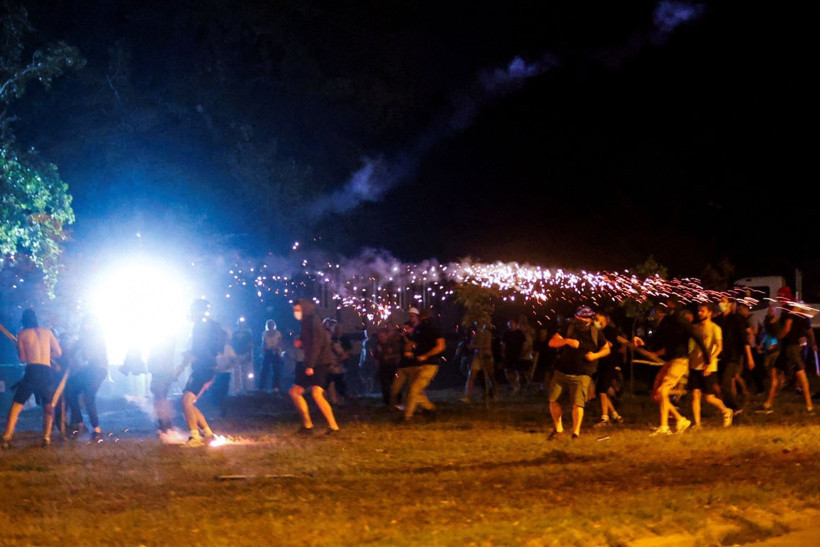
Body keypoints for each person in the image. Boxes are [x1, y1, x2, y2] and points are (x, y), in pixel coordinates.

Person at [635, 295, 709, 437]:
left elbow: (697, 338)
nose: (655, 314)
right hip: (671, 361)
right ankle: (680, 420)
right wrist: (643, 342)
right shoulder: (667, 321)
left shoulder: (680, 321)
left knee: (663, 391)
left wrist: (707, 359)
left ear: (669, 304)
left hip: (680, 361)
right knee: (658, 394)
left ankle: (664, 427)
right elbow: (657, 338)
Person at [546, 305, 610, 440]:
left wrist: (595, 356)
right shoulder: (568, 328)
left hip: (583, 373)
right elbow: (552, 342)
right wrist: (567, 341)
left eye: (586, 318)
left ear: (590, 319)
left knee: (577, 403)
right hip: (563, 371)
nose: (583, 321)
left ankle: (575, 433)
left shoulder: (595, 332)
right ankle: (558, 430)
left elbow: (606, 349)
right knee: (553, 400)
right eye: (580, 318)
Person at [2, 309, 62, 449]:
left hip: (32, 372)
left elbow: (23, 358)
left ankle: (7, 437)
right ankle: (46, 438)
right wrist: (46, 356)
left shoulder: (22, 334)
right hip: (46, 372)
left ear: (24, 320)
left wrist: (19, 348)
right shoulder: (47, 332)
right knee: (48, 407)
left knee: (16, 407)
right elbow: (58, 352)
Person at [289, 299, 340, 435]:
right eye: (295, 310)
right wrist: (301, 342)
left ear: (304, 309)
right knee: (295, 392)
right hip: (312, 362)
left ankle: (333, 427)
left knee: (316, 394)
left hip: (320, 363)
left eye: (298, 310)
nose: (296, 313)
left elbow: (317, 345)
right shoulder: (306, 322)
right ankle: (307, 426)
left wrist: (310, 366)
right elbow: (310, 342)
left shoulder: (313, 321)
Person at [181, 298, 225, 447]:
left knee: (186, 401)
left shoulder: (200, 327)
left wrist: (178, 370)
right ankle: (208, 434)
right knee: (190, 402)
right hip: (209, 368)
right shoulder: (213, 326)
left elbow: (196, 351)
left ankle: (195, 438)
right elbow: (217, 350)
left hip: (202, 368)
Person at [759, 301, 816, 414]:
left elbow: (786, 329)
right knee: (776, 372)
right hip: (790, 349)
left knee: (800, 375)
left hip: (790, 349)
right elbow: (808, 331)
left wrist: (779, 337)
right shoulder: (802, 318)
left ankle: (809, 406)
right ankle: (768, 404)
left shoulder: (791, 315)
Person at [688, 303, 733, 428]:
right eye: (699, 311)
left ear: (709, 313)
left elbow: (719, 347)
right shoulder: (695, 328)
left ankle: (726, 411)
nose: (699, 313)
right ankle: (697, 424)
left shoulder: (715, 328)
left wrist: (709, 361)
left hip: (709, 366)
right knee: (695, 395)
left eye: (702, 311)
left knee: (709, 397)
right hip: (695, 365)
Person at [65, 314, 109, 442]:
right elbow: (75, 351)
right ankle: (80, 424)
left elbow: (89, 356)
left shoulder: (96, 337)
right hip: (89, 369)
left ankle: (97, 431)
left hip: (98, 370)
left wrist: (77, 346)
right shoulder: (84, 338)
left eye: (88, 324)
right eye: (85, 324)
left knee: (88, 397)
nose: (86, 326)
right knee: (69, 390)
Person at [401, 308, 445, 421]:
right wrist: (408, 349)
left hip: (431, 364)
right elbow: (413, 342)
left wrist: (426, 355)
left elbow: (441, 346)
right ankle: (430, 409)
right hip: (419, 364)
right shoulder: (419, 329)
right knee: (415, 390)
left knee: (414, 390)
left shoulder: (435, 329)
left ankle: (407, 417)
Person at [714, 295, 755, 413]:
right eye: (720, 301)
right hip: (721, 356)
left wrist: (750, 357)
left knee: (726, 383)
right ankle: (728, 408)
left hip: (734, 356)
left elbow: (744, 339)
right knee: (721, 385)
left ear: (730, 304)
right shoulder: (719, 320)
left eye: (723, 301)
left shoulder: (737, 318)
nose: (721, 303)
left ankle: (736, 408)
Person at [591, 310, 625, 427]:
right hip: (602, 364)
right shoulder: (598, 331)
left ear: (605, 319)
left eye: (597, 318)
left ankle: (605, 418)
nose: (595, 321)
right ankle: (615, 415)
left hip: (611, 364)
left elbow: (610, 345)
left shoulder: (610, 331)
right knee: (602, 391)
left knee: (602, 390)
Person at [148, 331, 179, 437]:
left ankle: (165, 427)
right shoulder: (169, 338)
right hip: (164, 370)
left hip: (160, 371)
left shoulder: (162, 340)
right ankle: (166, 425)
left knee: (160, 398)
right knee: (161, 397)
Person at [461, 322, 496, 402]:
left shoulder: (487, 333)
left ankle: (494, 394)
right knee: (471, 375)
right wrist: (469, 346)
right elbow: (472, 345)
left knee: (490, 376)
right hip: (477, 356)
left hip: (486, 356)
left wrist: (476, 346)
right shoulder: (475, 333)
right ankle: (467, 396)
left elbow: (487, 346)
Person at [373, 325, 402, 406]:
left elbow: (398, 354)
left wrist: (389, 357)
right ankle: (387, 402)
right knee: (384, 385)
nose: (380, 338)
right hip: (383, 367)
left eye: (382, 336)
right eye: (379, 336)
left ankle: (398, 401)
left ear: (386, 335)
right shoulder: (378, 344)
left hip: (393, 366)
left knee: (395, 384)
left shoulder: (392, 343)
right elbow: (376, 357)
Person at [324, 318, 349, 405]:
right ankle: (330, 402)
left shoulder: (334, 344)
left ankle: (339, 402)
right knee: (326, 387)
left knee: (338, 386)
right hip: (327, 370)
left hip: (336, 370)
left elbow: (344, 355)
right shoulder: (321, 346)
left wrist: (337, 362)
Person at [501, 318, 526, 395]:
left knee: (518, 371)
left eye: (512, 324)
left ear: (515, 324)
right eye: (509, 324)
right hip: (508, 354)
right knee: (507, 371)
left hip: (517, 354)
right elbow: (503, 344)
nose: (511, 325)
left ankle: (518, 386)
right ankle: (514, 384)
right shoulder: (506, 333)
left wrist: (523, 352)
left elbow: (524, 344)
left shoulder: (520, 333)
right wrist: (502, 352)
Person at [258, 319, 284, 393]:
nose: (270, 326)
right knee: (264, 369)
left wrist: (277, 348)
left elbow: (281, 342)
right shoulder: (264, 333)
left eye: (272, 325)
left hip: (276, 352)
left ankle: (276, 386)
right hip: (268, 352)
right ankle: (262, 387)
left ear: (274, 325)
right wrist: (263, 351)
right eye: (269, 325)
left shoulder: (278, 333)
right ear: (267, 326)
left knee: (276, 370)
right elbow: (263, 343)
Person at [231, 317, 254, 393]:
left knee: (245, 372)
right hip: (237, 354)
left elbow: (250, 344)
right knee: (236, 372)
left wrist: (250, 354)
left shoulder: (248, 333)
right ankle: (237, 389)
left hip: (245, 353)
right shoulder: (234, 333)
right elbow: (232, 344)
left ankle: (246, 387)